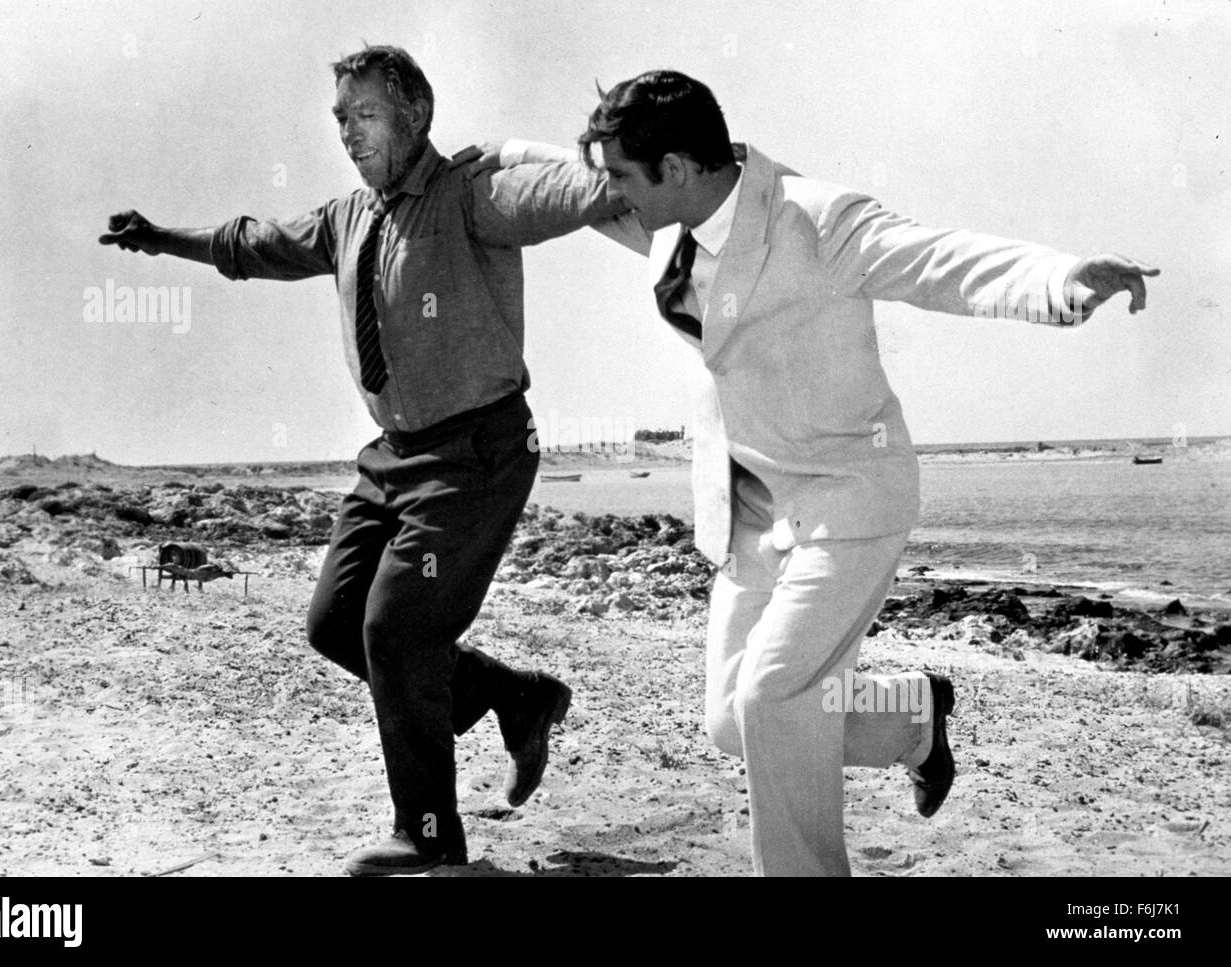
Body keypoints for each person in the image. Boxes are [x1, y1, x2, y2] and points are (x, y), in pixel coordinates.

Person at [495, 70, 1157, 875]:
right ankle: (913, 718)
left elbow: (940, 260)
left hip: (849, 497)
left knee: (773, 698)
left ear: (675, 167)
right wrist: (498, 155)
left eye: (621, 178)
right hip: (752, 513)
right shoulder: (666, 222)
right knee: (737, 722)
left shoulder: (818, 220)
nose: (607, 196)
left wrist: (1060, 280)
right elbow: (573, 181)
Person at [99, 44, 628, 876]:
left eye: (364, 115)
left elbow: (563, 195)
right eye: (340, 119)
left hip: (476, 450)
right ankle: (511, 696)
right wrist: (164, 239)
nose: (347, 133)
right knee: (337, 622)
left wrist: (636, 172)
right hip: (392, 457)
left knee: (398, 626)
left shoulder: (470, 194)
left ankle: (428, 836)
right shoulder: (349, 217)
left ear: (414, 115)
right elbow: (259, 243)